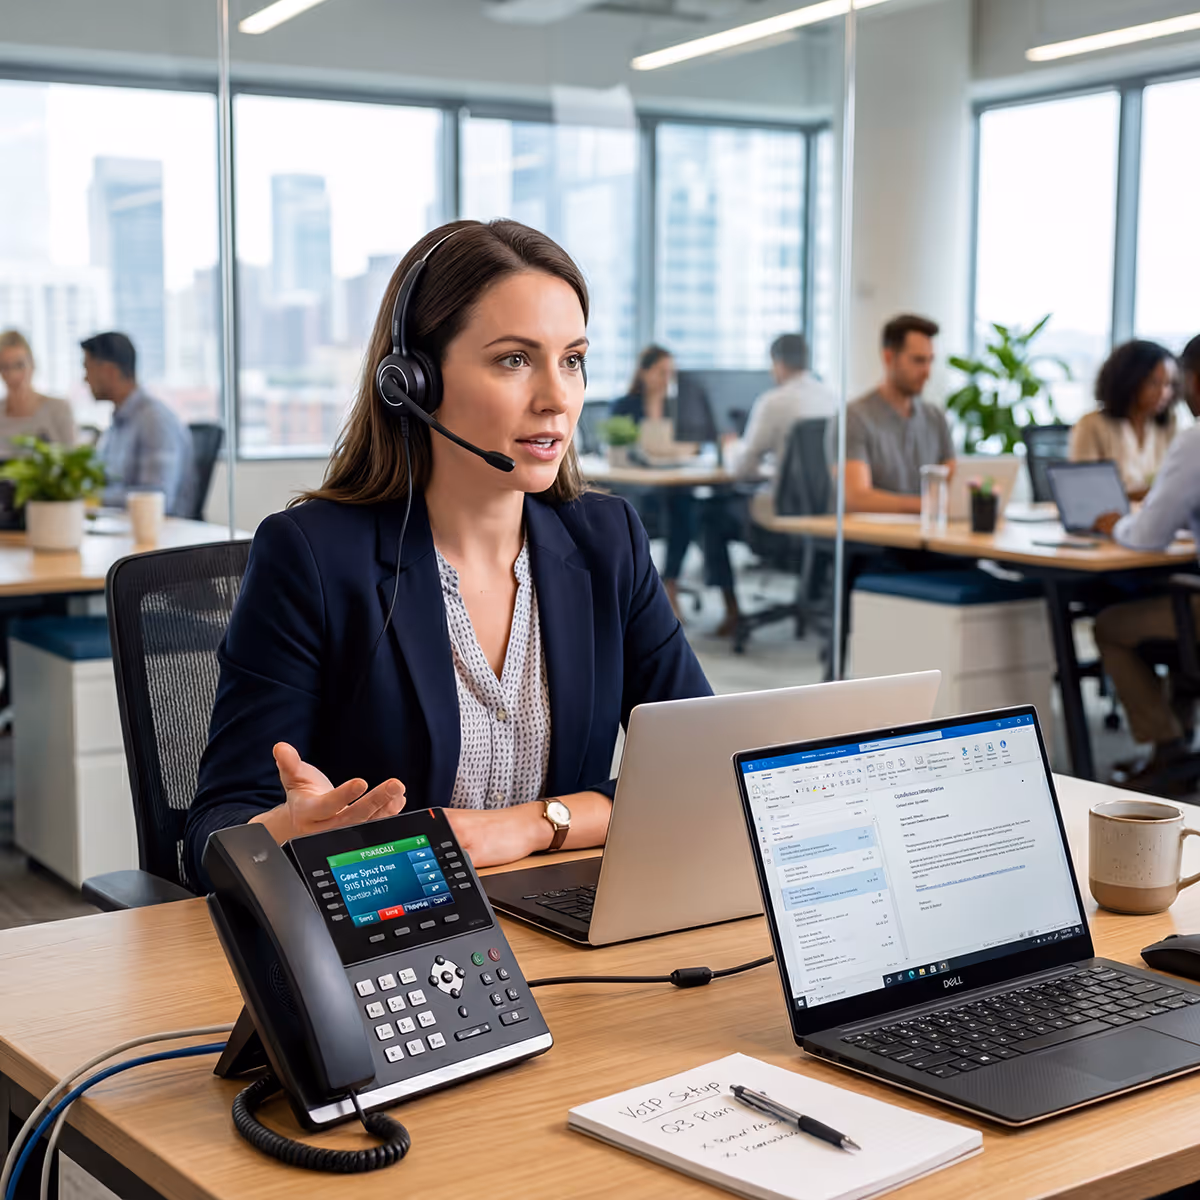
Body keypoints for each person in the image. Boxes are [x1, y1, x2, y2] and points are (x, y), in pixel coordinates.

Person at [184, 220, 711, 888]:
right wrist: (290, 831)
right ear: (414, 383)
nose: (557, 398)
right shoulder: (313, 558)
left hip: (559, 916)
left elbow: (700, 770)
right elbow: (213, 831)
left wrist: (530, 824)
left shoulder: (608, 543)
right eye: (514, 360)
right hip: (394, 935)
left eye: (572, 359)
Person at [1091, 340, 1200, 790]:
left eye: (1179, 380)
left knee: (1111, 626)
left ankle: (1167, 744)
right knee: (1171, 612)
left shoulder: (1194, 441)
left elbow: (1148, 535)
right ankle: (1176, 747)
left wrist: (1118, 524)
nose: (1174, 392)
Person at [611, 346, 740, 633]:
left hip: (674, 479)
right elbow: (616, 449)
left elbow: (696, 444)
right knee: (681, 505)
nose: (667, 378)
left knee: (686, 504)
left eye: (671, 372)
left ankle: (670, 581)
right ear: (644, 372)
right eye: (661, 372)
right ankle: (666, 586)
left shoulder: (680, 407)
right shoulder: (625, 405)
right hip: (638, 489)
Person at [833, 314, 955, 513]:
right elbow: (856, 498)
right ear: (889, 357)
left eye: (930, 361)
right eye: (918, 361)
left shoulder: (935, 417)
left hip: (926, 537)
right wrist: (928, 506)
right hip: (874, 541)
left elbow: (951, 480)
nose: (927, 372)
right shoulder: (855, 417)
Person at [81, 332, 196, 517]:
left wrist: (93, 499)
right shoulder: (117, 424)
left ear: (109, 371)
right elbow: (105, 482)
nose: (85, 379)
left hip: (164, 537)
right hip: (123, 530)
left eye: (88, 369)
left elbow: (156, 499)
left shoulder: (154, 420)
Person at [1069, 339, 1176, 501]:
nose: (1164, 393)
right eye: (1154, 383)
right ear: (1130, 380)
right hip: (1107, 521)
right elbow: (1085, 492)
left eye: (1168, 384)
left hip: (1154, 520)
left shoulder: (1167, 425)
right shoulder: (1092, 425)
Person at [730, 332, 837, 490]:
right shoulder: (834, 398)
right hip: (830, 501)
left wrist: (731, 449)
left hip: (787, 502)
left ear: (778, 363)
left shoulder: (773, 402)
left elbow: (744, 467)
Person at [0, 330, 76, 456]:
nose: (13, 375)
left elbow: (73, 462)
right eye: (4, 367)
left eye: (19, 365)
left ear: (33, 364)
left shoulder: (58, 409)